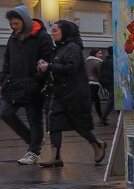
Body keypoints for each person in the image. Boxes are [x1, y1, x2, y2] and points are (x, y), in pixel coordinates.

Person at [36, 20, 105, 168]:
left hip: (75, 93)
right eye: (52, 30)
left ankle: (96, 144)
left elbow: (71, 68)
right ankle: (55, 156)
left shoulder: (73, 48)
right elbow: (55, 66)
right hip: (59, 92)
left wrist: (49, 66)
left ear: (64, 32)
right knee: (53, 121)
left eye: (55, 31)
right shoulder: (59, 48)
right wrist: (45, 67)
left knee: (78, 124)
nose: (52, 33)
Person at [2, 6, 54, 165]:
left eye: (16, 23)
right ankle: (33, 140)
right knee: (5, 113)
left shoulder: (42, 37)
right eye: (11, 24)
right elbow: (7, 61)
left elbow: (46, 62)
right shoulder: (13, 37)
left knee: (34, 119)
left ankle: (34, 151)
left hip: (34, 86)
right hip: (14, 85)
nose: (13, 27)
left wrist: (36, 82)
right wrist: (3, 81)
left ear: (24, 21)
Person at [85, 48, 104, 123]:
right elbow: (100, 74)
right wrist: (103, 83)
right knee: (94, 101)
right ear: (95, 54)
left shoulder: (86, 61)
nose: (101, 55)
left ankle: (102, 117)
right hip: (94, 83)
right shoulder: (98, 62)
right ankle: (101, 117)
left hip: (87, 83)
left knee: (95, 100)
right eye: (99, 53)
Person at [98, 47, 114, 125]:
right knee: (112, 100)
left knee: (114, 100)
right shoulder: (114, 61)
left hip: (106, 83)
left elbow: (100, 72)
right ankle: (103, 118)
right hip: (112, 83)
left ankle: (121, 118)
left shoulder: (105, 61)